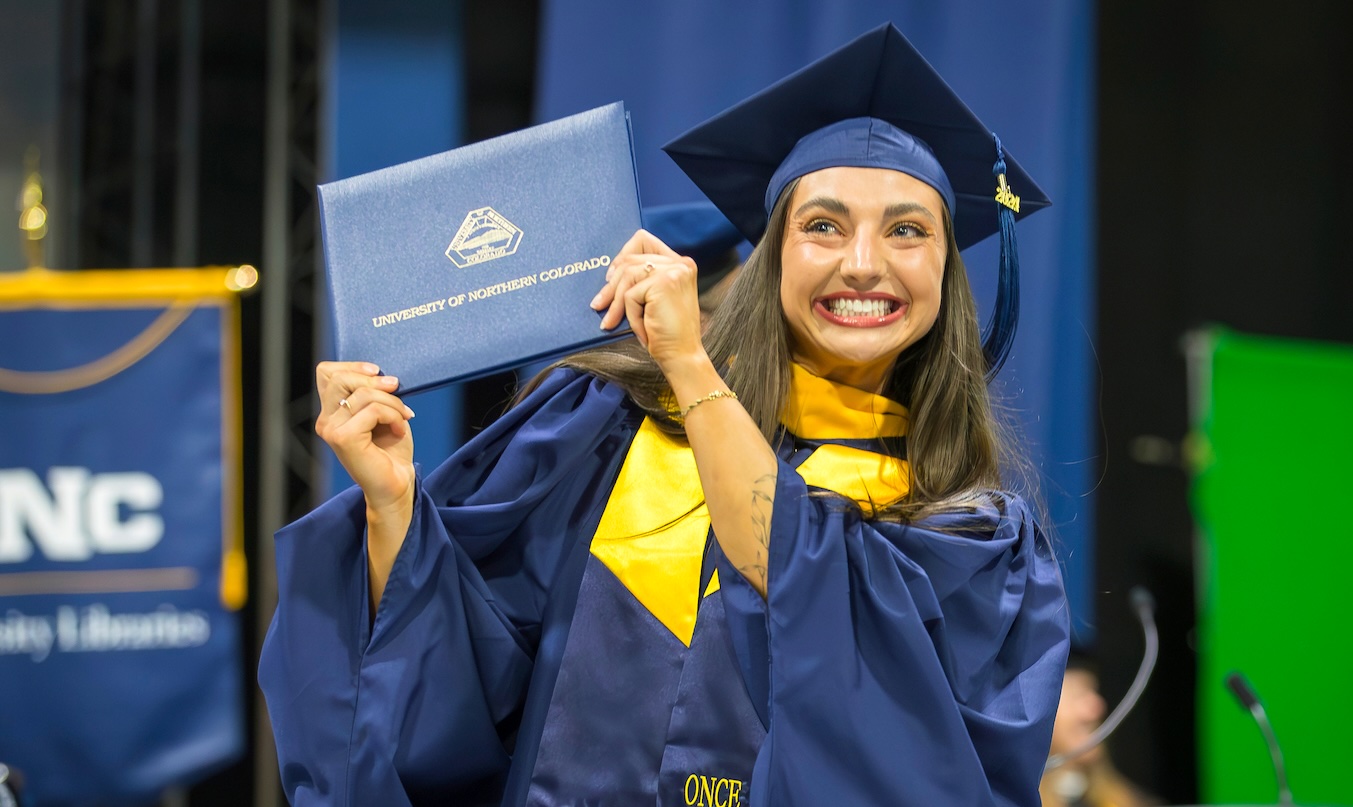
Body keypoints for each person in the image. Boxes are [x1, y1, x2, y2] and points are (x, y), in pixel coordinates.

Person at [259, 23, 1069, 806]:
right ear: (773, 254)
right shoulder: (605, 426)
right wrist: (394, 504)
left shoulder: (971, 541)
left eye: (907, 230)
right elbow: (460, 673)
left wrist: (690, 366)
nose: (863, 263)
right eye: (821, 225)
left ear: (945, 272)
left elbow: (853, 665)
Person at [1041, 653, 1162, 807]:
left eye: (1094, 691)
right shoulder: (1012, 800)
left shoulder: (1133, 802)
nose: (1096, 708)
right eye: (1077, 695)